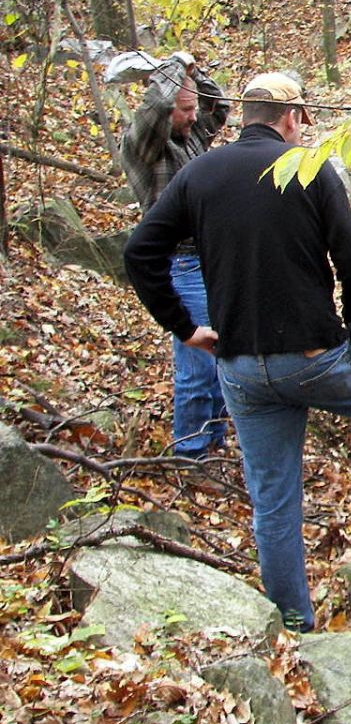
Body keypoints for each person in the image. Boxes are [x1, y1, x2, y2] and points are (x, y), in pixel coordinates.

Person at [124, 73, 351, 632]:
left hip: (239, 368)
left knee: (274, 501)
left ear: (246, 116)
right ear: (290, 118)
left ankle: (295, 626)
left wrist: (184, 328)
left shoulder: (199, 172)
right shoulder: (310, 169)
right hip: (313, 358)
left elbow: (140, 253)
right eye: (301, 120)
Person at [120, 52, 230, 458]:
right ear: (166, 109)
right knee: (197, 366)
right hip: (180, 264)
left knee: (221, 357)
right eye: (183, 110)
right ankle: (191, 453)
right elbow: (154, 109)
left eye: (190, 109)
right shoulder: (146, 146)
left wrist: (193, 72)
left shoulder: (191, 136)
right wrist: (170, 70)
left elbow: (218, 107)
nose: (191, 116)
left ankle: (213, 442)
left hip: (210, 259)